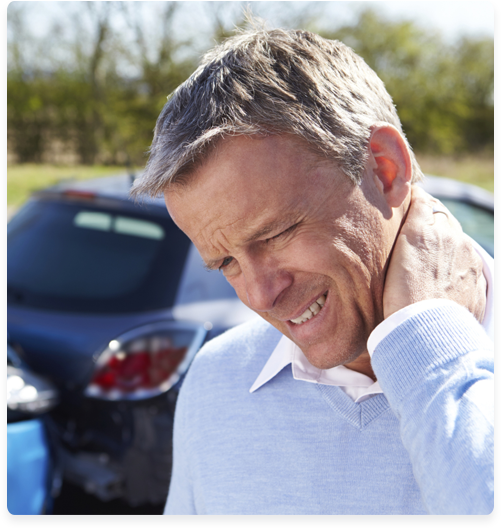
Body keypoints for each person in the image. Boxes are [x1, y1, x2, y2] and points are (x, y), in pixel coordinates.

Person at [131, 23, 494, 515]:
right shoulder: (217, 381)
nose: (260, 296)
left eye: (275, 234)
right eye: (228, 263)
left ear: (384, 169)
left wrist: (430, 356)